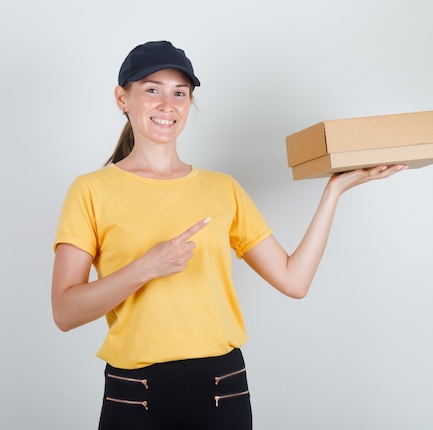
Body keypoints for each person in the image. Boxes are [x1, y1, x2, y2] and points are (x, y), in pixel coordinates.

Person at [51, 40, 406, 430]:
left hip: (223, 389)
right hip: (134, 393)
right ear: (122, 98)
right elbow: (65, 312)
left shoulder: (223, 189)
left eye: (180, 93)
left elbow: (294, 280)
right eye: (152, 89)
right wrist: (145, 268)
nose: (167, 105)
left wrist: (334, 191)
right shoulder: (90, 190)